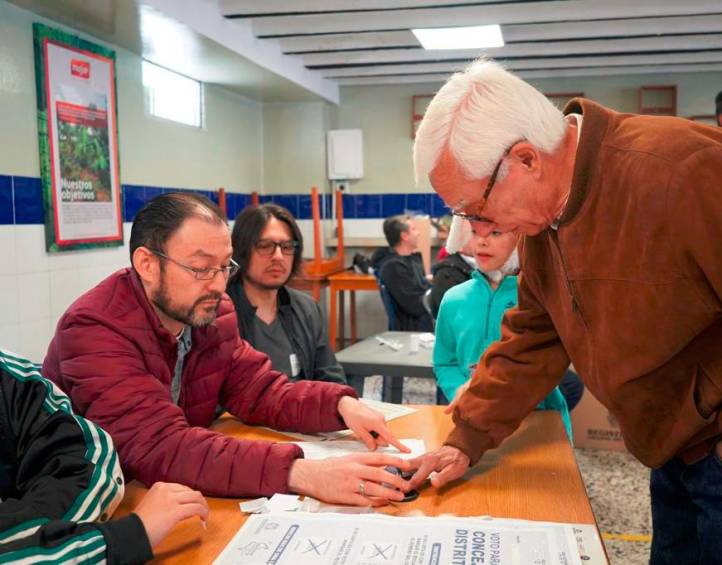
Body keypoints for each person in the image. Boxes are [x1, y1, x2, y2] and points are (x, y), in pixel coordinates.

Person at [409, 60, 722, 564]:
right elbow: (535, 335)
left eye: (475, 209)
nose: (477, 229)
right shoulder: (547, 215)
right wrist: (466, 437)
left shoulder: (687, 173)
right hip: (672, 450)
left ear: (525, 160)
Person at [43, 192, 413, 506]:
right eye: (202, 269)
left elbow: (261, 390)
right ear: (147, 264)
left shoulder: (211, 314)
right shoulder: (95, 328)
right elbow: (158, 446)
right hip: (92, 504)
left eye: (225, 267)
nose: (219, 285)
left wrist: (339, 404)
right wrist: (301, 473)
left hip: (169, 489)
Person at [0, 349, 208, 564]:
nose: (216, 311)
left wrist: (45, 543)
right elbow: (154, 442)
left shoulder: (11, 374)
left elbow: (80, 458)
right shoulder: (92, 328)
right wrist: (119, 539)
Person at [433, 223, 572, 440]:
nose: (482, 241)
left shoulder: (538, 297)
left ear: (521, 239)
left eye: (496, 232)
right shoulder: (453, 299)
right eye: (474, 232)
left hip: (536, 419)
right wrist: (463, 394)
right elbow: (445, 362)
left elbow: (547, 363)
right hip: (472, 421)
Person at [227, 204, 345, 384]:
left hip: (303, 409)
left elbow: (330, 377)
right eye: (265, 246)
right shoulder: (219, 314)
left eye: (287, 246)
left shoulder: (306, 308)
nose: (278, 256)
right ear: (242, 250)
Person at [376, 215, 433, 331]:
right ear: (404, 236)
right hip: (413, 332)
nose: (418, 233)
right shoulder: (393, 267)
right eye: (414, 229)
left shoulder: (411, 260)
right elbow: (416, 305)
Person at [429, 216, 476, 318]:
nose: (482, 241)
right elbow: (452, 317)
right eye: (474, 233)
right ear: (458, 241)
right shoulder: (447, 273)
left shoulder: (489, 270)